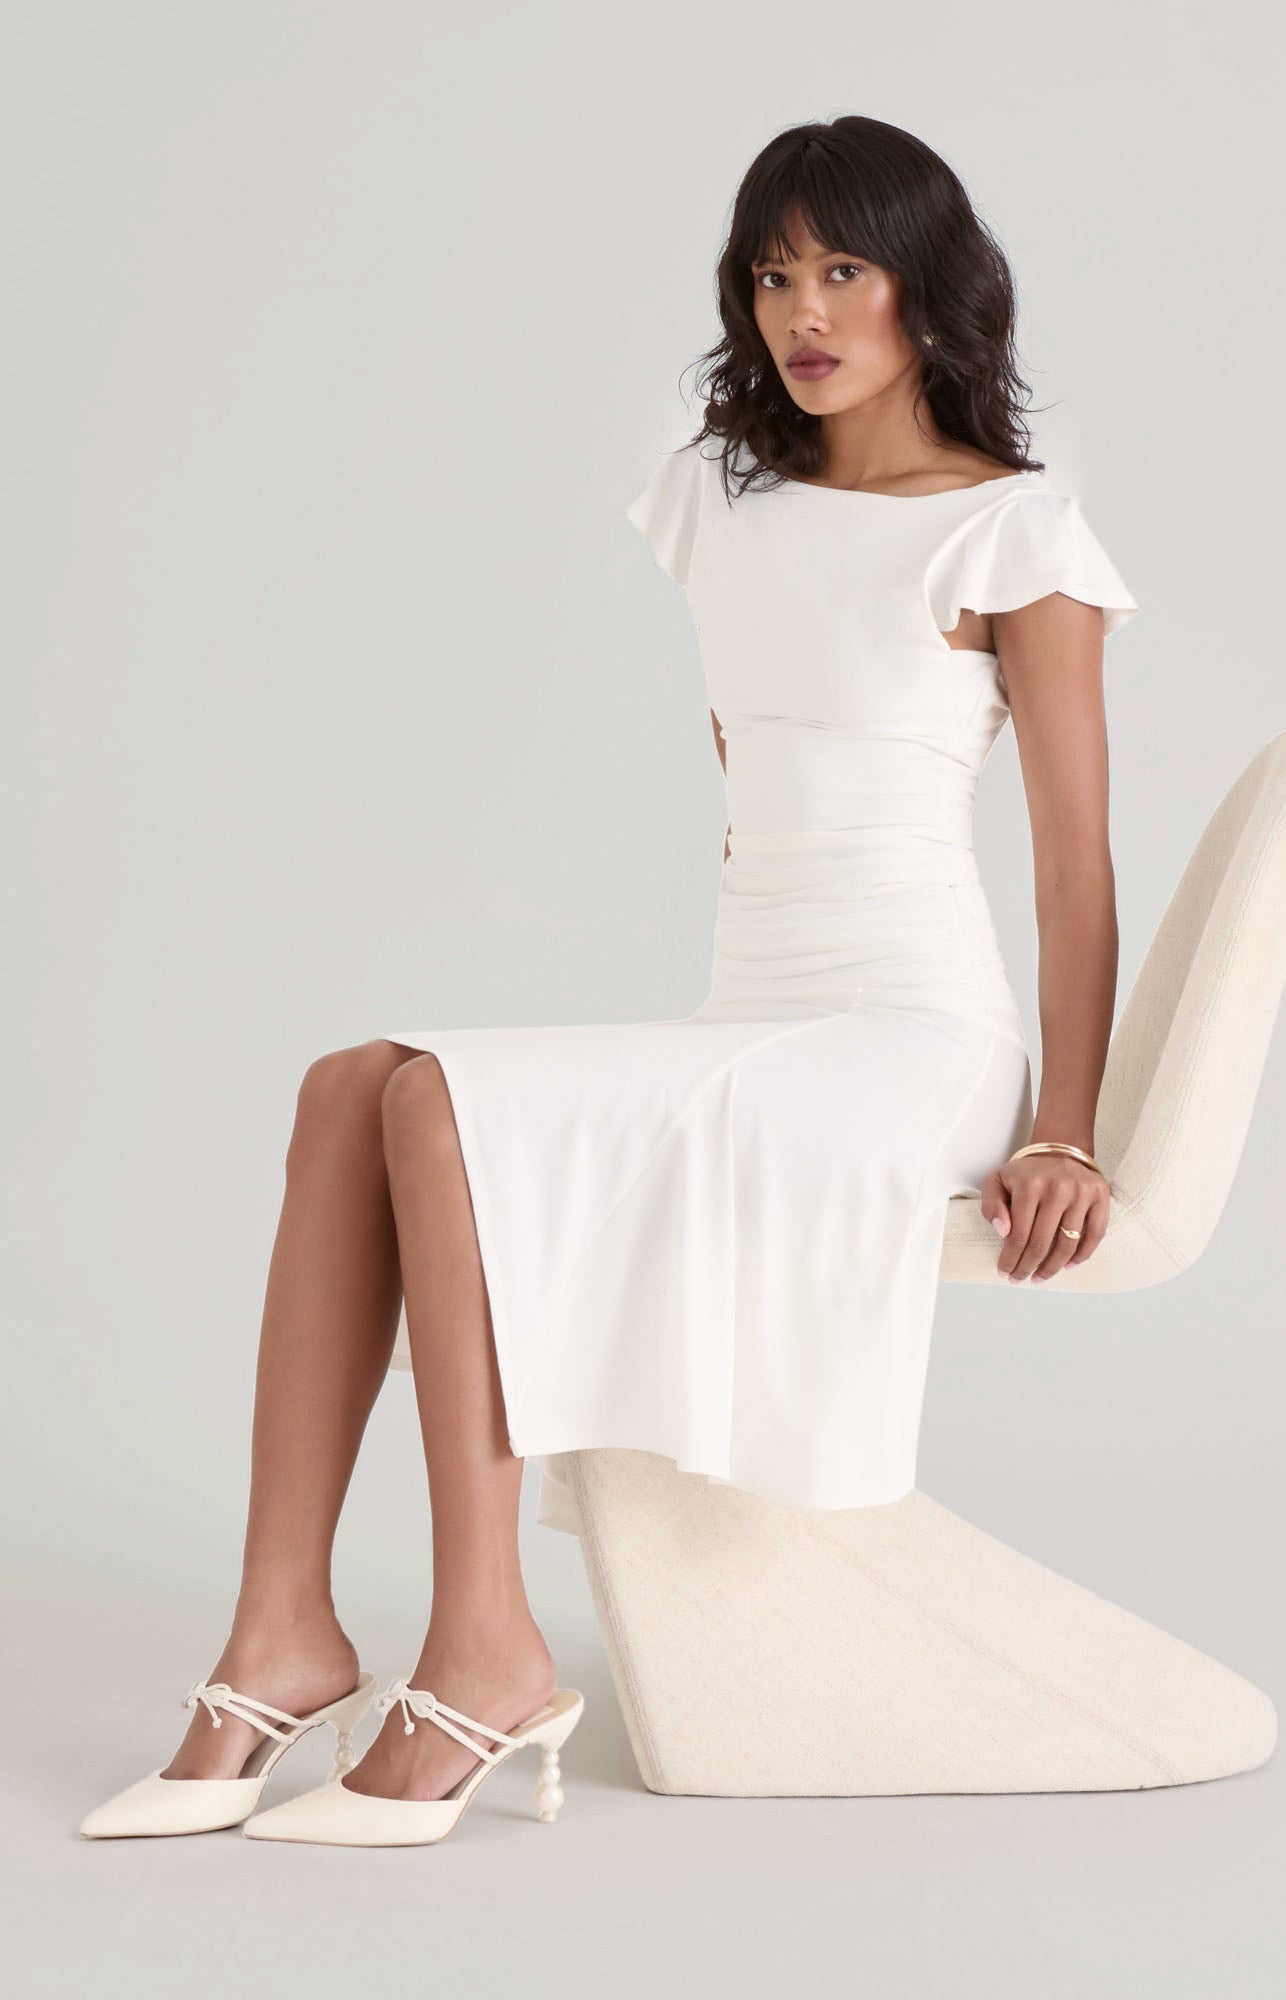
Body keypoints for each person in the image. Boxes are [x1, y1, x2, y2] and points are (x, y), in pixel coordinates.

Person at [79, 113, 1137, 1850]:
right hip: (759, 1011)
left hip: (913, 1042)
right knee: (351, 1084)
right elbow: (755, 772)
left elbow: (1075, 872)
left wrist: (1069, 1132)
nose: (803, 313)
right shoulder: (719, 504)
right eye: (772, 276)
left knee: (441, 1104)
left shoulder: (1014, 531)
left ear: (929, 288)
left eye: (844, 270)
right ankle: (279, 1633)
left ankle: (484, 1646)